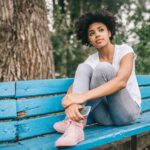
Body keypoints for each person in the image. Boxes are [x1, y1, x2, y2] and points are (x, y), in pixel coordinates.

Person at [53, 8, 141, 148]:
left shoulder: (125, 50)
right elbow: (74, 89)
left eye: (101, 30)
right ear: (89, 40)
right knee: (83, 67)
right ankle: (75, 125)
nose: (97, 35)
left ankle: (74, 123)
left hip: (126, 113)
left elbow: (121, 82)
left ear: (109, 32)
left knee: (103, 68)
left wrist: (81, 97)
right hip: (104, 117)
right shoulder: (91, 60)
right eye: (92, 33)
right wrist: (70, 102)